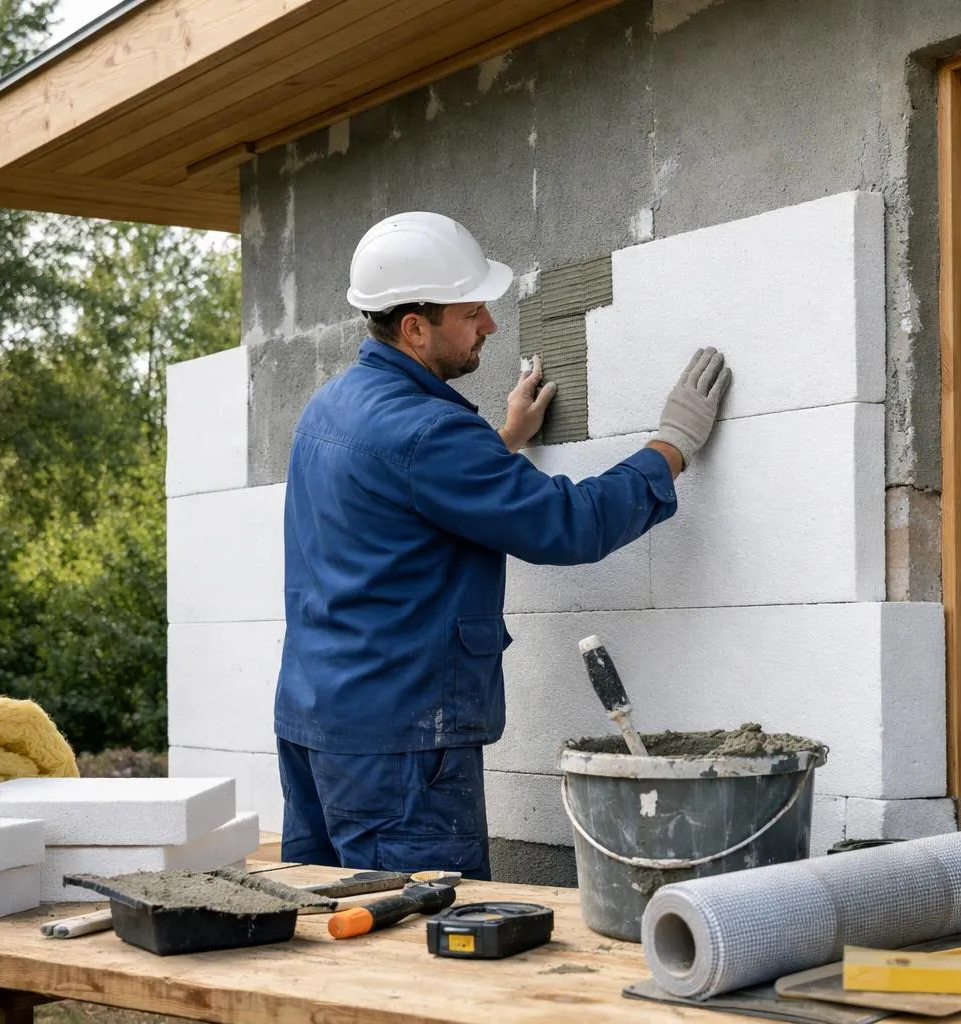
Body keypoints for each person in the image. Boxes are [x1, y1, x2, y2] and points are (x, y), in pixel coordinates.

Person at [274, 211, 732, 878]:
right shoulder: (429, 433)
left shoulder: (332, 406)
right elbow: (567, 523)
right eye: (471, 313)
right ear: (414, 328)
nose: (489, 324)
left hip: (318, 722)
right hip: (402, 746)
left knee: (328, 931)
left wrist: (499, 443)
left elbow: (402, 499)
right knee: (421, 945)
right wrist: (670, 449)